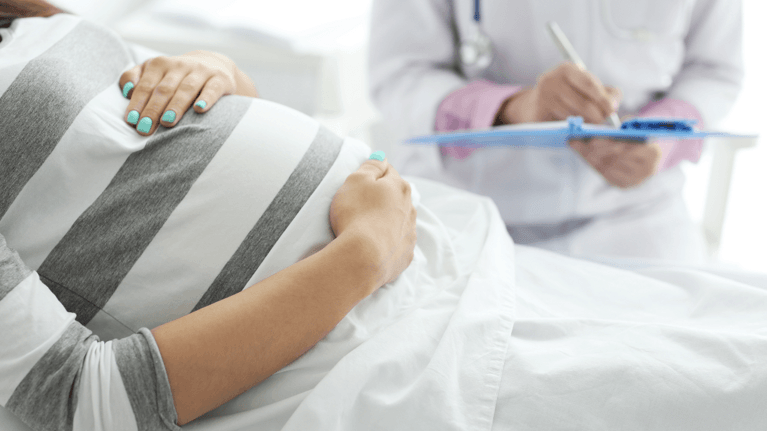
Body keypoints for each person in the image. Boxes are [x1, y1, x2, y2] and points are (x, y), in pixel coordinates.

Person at [3, 3, 767, 431]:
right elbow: (71, 405)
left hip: (457, 258)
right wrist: (362, 252)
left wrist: (218, 74)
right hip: (377, 346)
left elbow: (162, 148)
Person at [368, 0, 744, 264]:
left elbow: (714, 70)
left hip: (638, 220)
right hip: (471, 217)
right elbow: (402, 75)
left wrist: (661, 140)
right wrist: (514, 108)